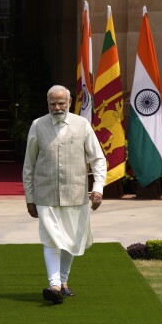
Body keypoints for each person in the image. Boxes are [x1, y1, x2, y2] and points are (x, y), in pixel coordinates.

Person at [22, 85, 106, 304]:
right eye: (52, 103)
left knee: (70, 239)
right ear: (47, 104)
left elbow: (98, 159)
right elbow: (29, 164)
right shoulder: (38, 125)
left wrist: (98, 188)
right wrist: (29, 198)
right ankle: (54, 284)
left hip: (76, 193)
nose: (57, 107)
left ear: (69, 102)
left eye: (61, 103)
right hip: (45, 193)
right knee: (51, 237)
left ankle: (64, 281)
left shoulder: (82, 124)